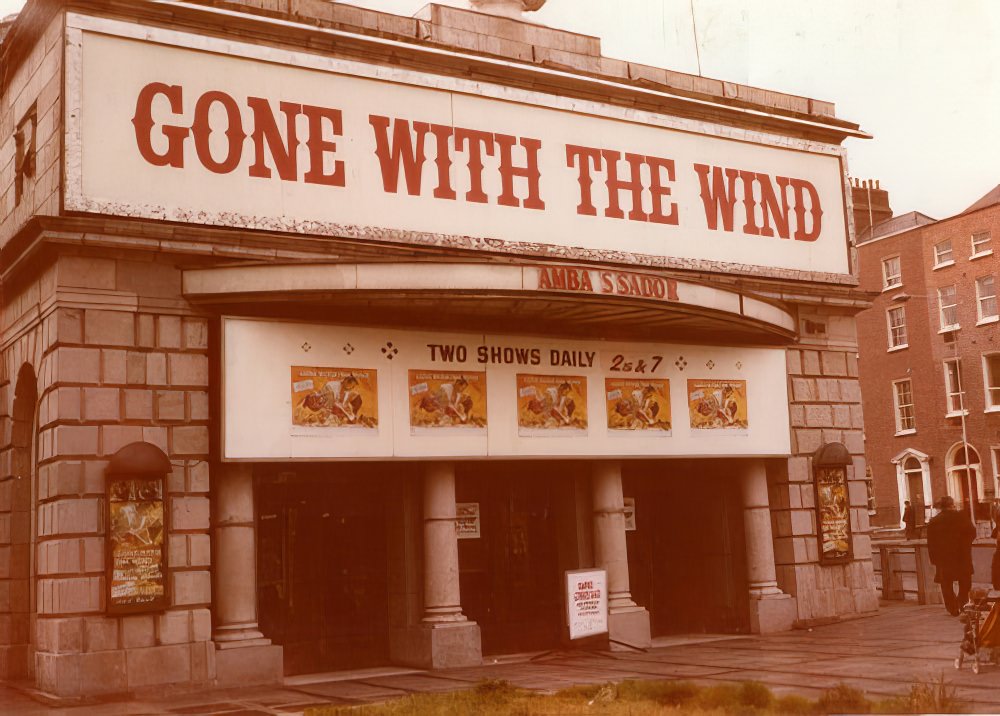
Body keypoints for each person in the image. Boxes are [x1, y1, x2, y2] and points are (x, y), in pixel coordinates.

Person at [926, 495, 977, 615]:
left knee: (946, 584)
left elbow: (931, 543)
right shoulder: (962, 517)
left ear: (941, 507)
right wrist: (965, 545)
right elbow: (972, 533)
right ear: (952, 505)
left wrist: (934, 559)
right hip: (962, 556)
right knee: (965, 582)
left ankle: (952, 607)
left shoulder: (934, 522)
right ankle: (962, 602)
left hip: (943, 559)